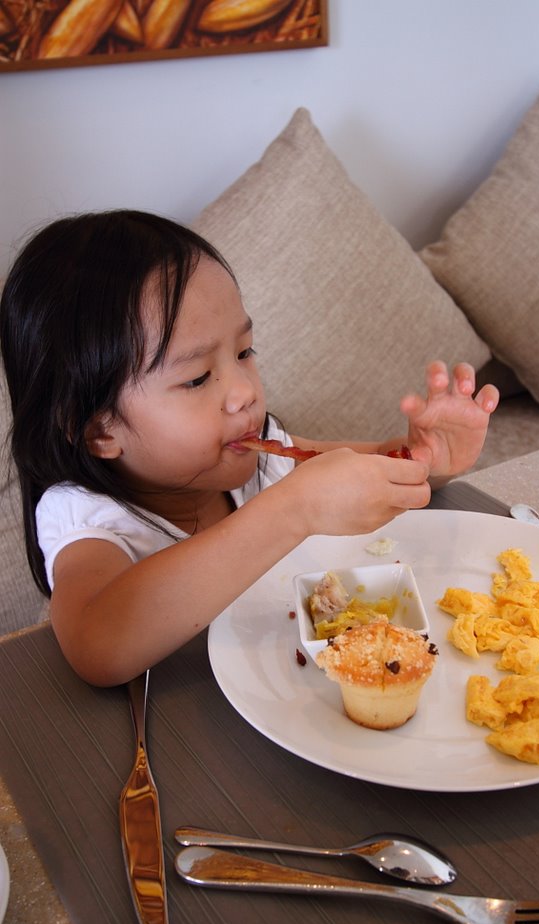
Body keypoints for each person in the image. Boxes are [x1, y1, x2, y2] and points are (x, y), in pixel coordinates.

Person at [0, 210, 499, 687]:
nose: (244, 391)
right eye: (197, 378)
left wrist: (426, 458)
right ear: (99, 432)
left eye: (244, 352)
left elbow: (369, 474)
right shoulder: (90, 518)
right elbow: (97, 646)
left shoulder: (263, 457)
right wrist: (293, 511)